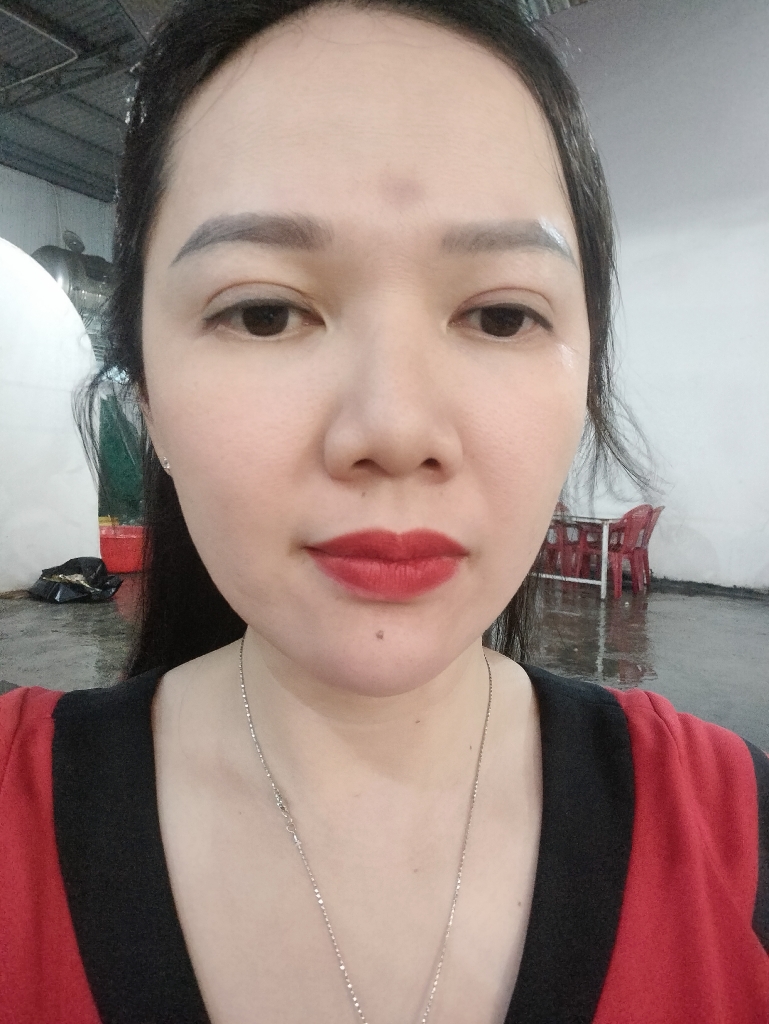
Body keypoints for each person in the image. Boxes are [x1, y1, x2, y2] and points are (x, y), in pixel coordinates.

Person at [1, 1, 767, 1022]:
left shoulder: (733, 830)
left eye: (500, 314)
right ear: (149, 402)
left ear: (584, 384)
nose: (394, 428)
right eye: (264, 311)